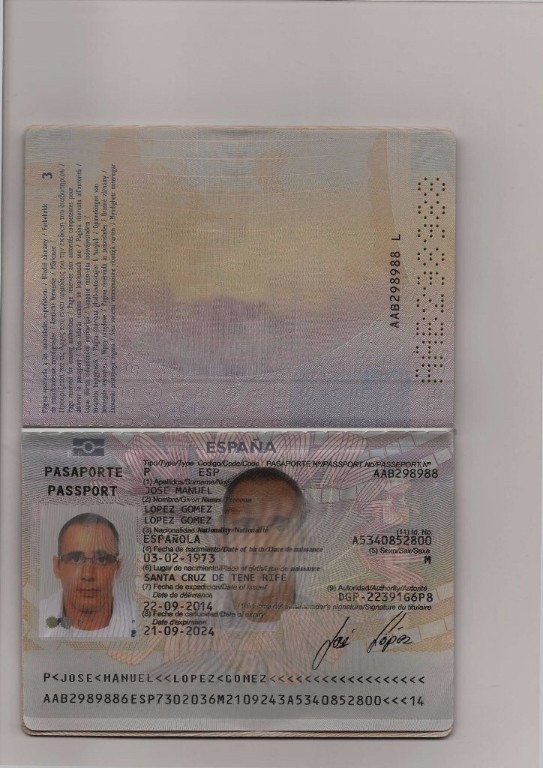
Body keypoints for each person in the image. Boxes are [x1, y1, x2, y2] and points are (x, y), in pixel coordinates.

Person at [219, 467, 306, 626]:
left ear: (302, 540)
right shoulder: (189, 622)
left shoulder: (333, 621)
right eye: (244, 525)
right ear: (222, 538)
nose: (261, 545)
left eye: (280, 527)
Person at [40, 512, 135, 638]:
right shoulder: (31, 618)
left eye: (101, 560)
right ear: (57, 567)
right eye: (75, 559)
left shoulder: (141, 622)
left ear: (117, 568)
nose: (88, 575)